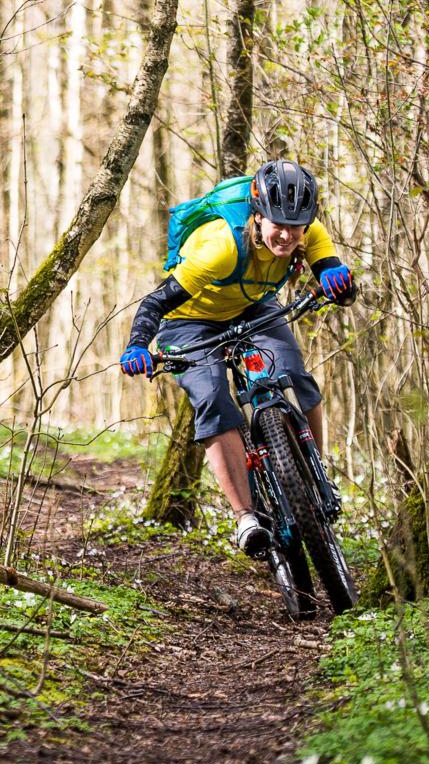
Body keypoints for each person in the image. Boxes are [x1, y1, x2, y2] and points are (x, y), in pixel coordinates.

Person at [117, 160, 358, 560]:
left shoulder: (309, 232)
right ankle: (246, 516)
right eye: (277, 224)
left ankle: (316, 472)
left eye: (295, 227)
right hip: (190, 321)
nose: (286, 235)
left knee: (296, 376)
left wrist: (340, 284)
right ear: (258, 216)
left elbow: (336, 279)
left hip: (252, 307)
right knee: (212, 398)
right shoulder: (221, 247)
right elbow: (156, 301)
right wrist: (138, 346)